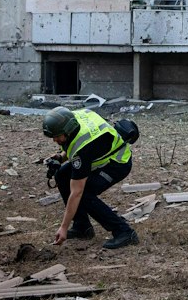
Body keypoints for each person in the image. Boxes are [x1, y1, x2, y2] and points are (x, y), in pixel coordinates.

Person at [42, 106, 139, 249]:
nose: (54, 140)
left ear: (67, 130)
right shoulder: (74, 118)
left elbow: (76, 193)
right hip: (98, 154)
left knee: (84, 194)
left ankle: (124, 232)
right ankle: (82, 227)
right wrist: (61, 157)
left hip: (117, 163)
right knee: (62, 174)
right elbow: (75, 143)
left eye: (57, 136)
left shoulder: (83, 148)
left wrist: (63, 227)